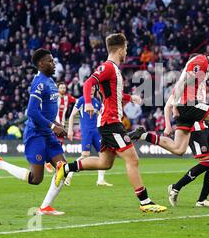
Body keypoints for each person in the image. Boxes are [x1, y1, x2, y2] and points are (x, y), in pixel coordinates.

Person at [55, 33, 166, 213]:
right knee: (132, 159)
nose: (127, 53)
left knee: (105, 163)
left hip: (109, 122)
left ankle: (66, 168)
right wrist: (89, 102)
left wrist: (131, 97)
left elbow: (116, 95)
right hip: (110, 122)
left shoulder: (114, 69)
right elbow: (89, 82)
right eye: (126, 50)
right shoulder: (107, 67)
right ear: (120, 49)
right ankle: (145, 202)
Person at [0, 48, 68, 215]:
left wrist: (57, 124)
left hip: (47, 134)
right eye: (50, 61)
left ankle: (45, 207)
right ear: (41, 64)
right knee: (36, 179)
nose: (54, 63)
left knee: (63, 168)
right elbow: (32, 112)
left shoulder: (50, 81)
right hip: (36, 134)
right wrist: (53, 126)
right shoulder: (39, 82)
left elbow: (46, 111)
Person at [164, 93, 209, 208]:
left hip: (203, 127)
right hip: (193, 129)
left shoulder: (198, 90)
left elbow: (204, 110)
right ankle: (176, 187)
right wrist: (168, 125)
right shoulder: (181, 89)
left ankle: (202, 200)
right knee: (206, 162)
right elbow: (167, 106)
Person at [65, 87, 113, 187]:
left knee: (103, 155)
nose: (91, 89)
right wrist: (70, 130)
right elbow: (72, 115)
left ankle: (100, 180)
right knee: (85, 155)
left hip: (96, 132)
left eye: (93, 88)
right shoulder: (82, 100)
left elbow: (101, 116)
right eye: (89, 88)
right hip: (86, 131)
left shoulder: (96, 102)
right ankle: (69, 174)